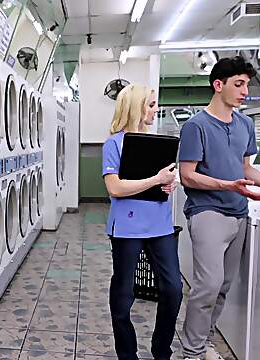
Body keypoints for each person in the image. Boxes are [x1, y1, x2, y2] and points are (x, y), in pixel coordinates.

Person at [178, 56, 260, 360]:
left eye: (247, 84)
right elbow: (187, 175)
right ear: (218, 85)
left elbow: (246, 168)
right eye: (239, 84)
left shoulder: (245, 124)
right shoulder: (196, 126)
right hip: (207, 212)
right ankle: (191, 353)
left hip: (239, 214)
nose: (245, 91)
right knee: (206, 286)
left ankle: (204, 342)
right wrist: (226, 185)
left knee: (222, 287)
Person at [102, 84, 183, 360]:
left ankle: (161, 350)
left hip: (160, 225)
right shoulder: (114, 144)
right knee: (123, 295)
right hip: (126, 227)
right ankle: (127, 354)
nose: (155, 109)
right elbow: (115, 188)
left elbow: (161, 181)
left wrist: (167, 185)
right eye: (150, 104)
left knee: (173, 289)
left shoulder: (158, 144)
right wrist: (156, 180)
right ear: (135, 107)